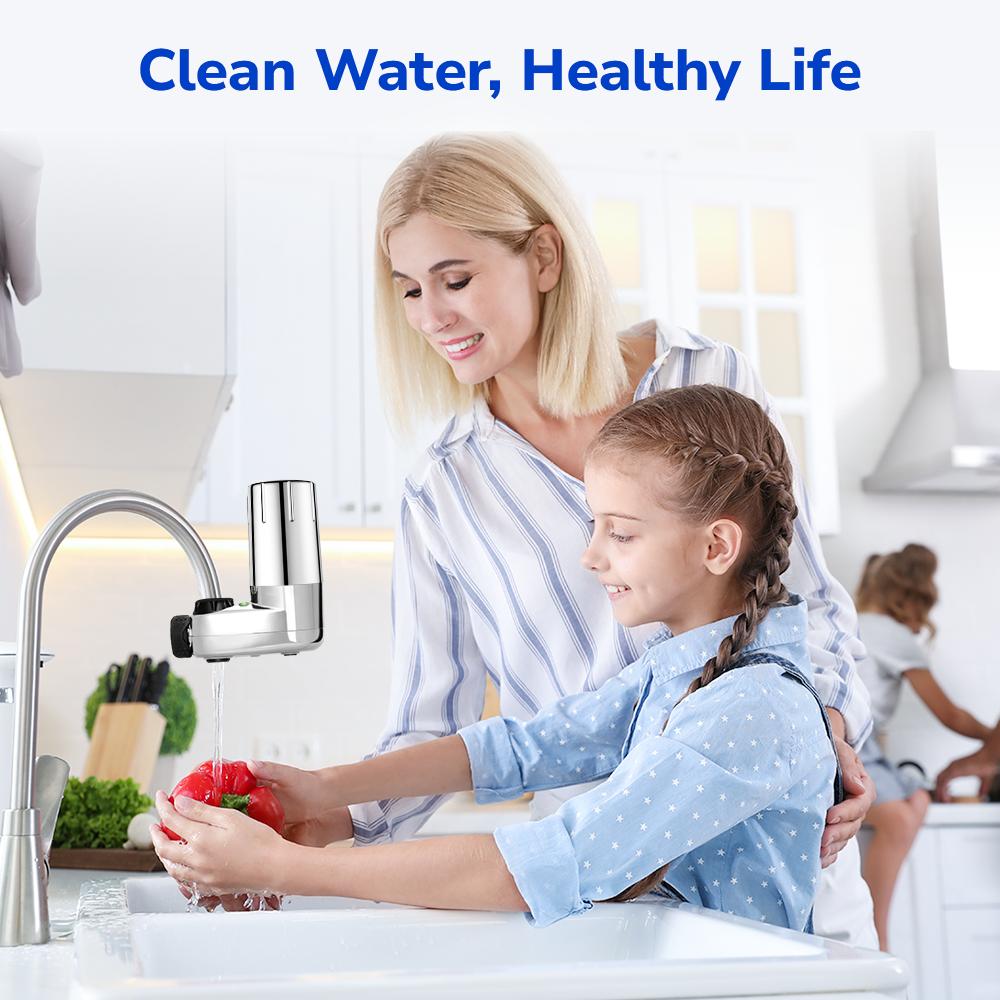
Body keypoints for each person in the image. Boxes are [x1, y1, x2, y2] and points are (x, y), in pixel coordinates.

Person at [224, 133, 877, 938]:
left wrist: (827, 734)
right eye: (407, 291)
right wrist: (327, 804)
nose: (431, 316)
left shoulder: (709, 382)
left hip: (746, 873)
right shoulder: (445, 488)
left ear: (542, 255)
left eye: (455, 280)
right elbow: (508, 745)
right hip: (601, 874)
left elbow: (806, 601)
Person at [153, 385, 839, 931]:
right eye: (594, 525)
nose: (592, 555)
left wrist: (284, 868)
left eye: (621, 534)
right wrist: (326, 788)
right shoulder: (677, 670)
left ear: (717, 546)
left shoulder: (752, 705)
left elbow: (547, 864)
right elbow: (520, 748)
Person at [853, 543, 994, 950]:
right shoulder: (893, 634)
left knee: (917, 799)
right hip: (853, 746)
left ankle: (875, 938)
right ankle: (876, 942)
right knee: (900, 818)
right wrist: (993, 741)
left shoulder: (857, 622)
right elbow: (950, 715)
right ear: (912, 599)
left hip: (862, 745)